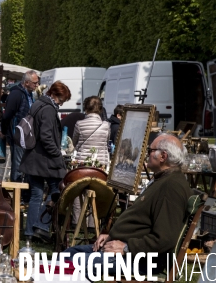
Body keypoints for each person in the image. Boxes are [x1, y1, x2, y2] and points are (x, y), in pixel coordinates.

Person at [64, 134, 191, 276]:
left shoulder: (171, 187)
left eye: (150, 150)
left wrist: (126, 247)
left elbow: (165, 239)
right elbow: (142, 222)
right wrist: (112, 236)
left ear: (163, 156)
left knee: (68, 264)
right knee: (67, 255)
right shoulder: (163, 180)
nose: (146, 154)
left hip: (138, 261)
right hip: (126, 253)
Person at [19, 81, 71, 243]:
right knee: (58, 190)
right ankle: (41, 226)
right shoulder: (48, 109)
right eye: (62, 100)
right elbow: (46, 137)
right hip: (45, 160)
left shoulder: (38, 104)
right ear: (55, 95)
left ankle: (30, 231)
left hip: (33, 158)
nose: (62, 103)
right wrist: (58, 155)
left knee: (36, 195)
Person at [1, 70, 40, 187]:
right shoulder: (16, 94)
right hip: (18, 135)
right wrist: (4, 131)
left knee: (24, 163)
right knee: (18, 165)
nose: (37, 85)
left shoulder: (28, 93)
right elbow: (7, 115)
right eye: (35, 83)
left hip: (26, 135)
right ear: (27, 82)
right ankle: (16, 192)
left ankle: (22, 192)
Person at [72, 96, 111, 166]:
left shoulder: (79, 124)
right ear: (101, 109)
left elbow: (74, 142)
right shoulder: (106, 125)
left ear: (86, 109)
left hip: (82, 161)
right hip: (101, 162)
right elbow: (106, 143)